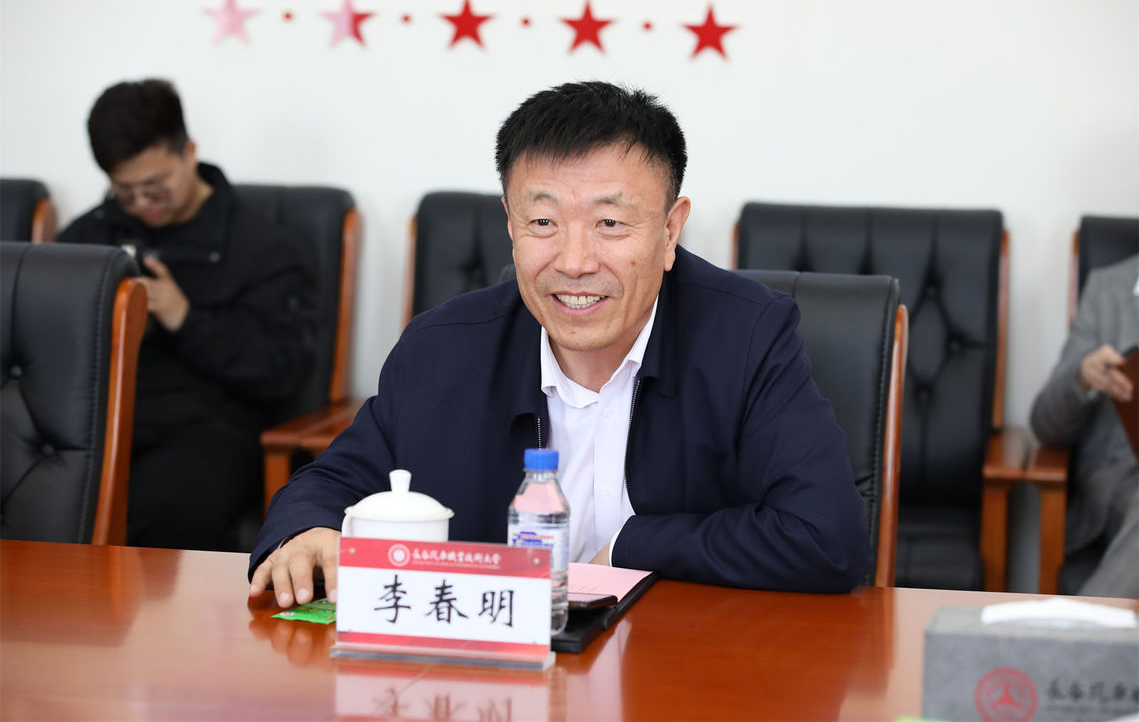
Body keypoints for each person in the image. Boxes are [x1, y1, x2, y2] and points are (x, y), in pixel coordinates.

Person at [249, 81, 870, 606]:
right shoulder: (443, 347)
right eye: (543, 222)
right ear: (510, 224)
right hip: (496, 675)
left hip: (680, 670)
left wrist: (632, 546)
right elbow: (332, 482)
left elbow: (826, 539)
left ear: (670, 230)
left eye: (610, 223)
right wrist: (306, 531)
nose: (574, 262)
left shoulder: (748, 336)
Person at [60, 78, 317, 552]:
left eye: (154, 187)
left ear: (190, 153)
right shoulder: (86, 239)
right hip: (96, 423)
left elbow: (280, 372)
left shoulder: (264, 248)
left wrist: (184, 318)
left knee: (168, 508)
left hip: (209, 430)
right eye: (124, 190)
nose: (141, 204)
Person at [1030, 252, 1138, 598]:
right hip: (1123, 480)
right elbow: (1045, 424)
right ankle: (1080, 625)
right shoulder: (1109, 289)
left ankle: (1073, 627)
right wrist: (1082, 378)